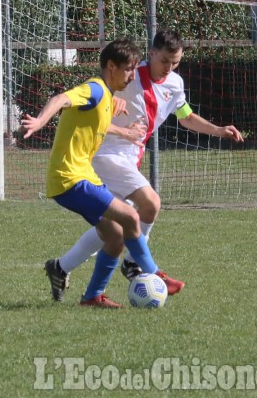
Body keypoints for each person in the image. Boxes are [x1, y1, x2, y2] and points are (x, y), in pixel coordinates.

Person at [51, 30, 244, 293]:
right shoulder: (128, 75)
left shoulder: (175, 83)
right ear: (152, 54)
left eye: (175, 62)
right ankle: (134, 265)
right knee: (150, 202)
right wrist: (110, 97)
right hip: (106, 155)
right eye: (165, 60)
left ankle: (61, 267)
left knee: (114, 230)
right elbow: (95, 96)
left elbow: (185, 116)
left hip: (129, 161)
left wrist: (219, 130)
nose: (169, 67)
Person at [20, 37, 184, 308]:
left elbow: (97, 124)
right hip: (70, 178)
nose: (132, 76)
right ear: (111, 66)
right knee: (132, 215)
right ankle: (155, 274)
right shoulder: (95, 89)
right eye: (129, 69)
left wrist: (123, 126)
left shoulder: (107, 97)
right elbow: (62, 98)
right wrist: (39, 121)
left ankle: (92, 296)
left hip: (84, 176)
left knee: (115, 236)